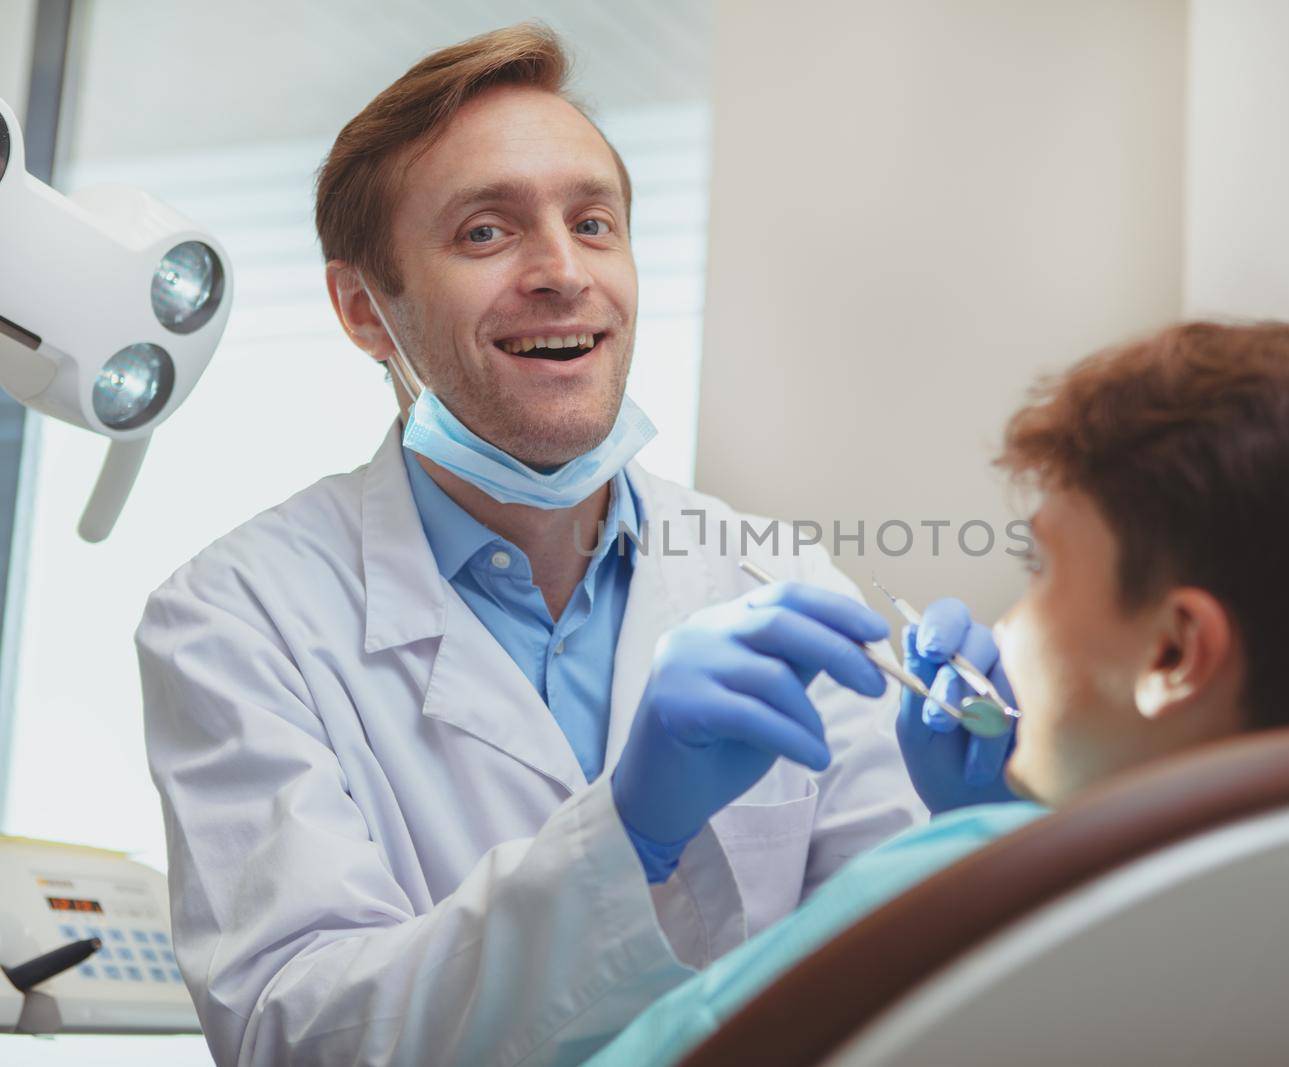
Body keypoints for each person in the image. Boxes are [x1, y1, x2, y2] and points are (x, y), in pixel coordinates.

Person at [134, 23, 1007, 1067]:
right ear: (365, 310)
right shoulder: (236, 618)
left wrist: (968, 841)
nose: (560, 271)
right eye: (485, 233)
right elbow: (297, 1031)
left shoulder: (774, 573)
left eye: (594, 223)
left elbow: (889, 997)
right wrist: (623, 834)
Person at [579, 315, 1289, 1066]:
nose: (1005, 622)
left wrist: (964, 851)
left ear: (1173, 652)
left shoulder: (961, 880)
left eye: (1039, 569)